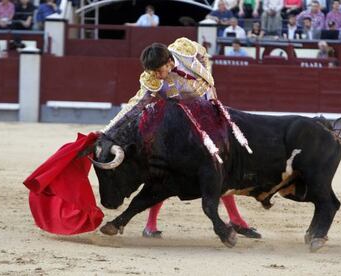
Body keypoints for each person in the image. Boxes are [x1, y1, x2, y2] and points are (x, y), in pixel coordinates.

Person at [102, 37, 261, 240]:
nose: (158, 75)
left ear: (169, 61)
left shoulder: (183, 48)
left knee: (220, 165)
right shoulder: (153, 79)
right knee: (166, 173)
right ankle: (151, 224)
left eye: (160, 70)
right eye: (154, 72)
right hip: (183, 123)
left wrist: (208, 81)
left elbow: (203, 53)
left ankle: (236, 219)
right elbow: (135, 105)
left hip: (210, 111)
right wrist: (107, 131)